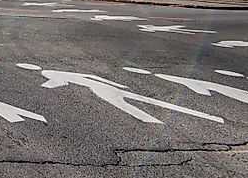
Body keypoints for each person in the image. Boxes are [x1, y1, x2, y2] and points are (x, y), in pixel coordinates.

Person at [18, 63, 223, 124]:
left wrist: (38, 89)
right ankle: (204, 115)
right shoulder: (52, 71)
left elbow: (57, 82)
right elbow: (94, 78)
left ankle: (203, 115)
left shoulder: (50, 71)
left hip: (101, 89)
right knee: (134, 102)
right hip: (101, 87)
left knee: (124, 103)